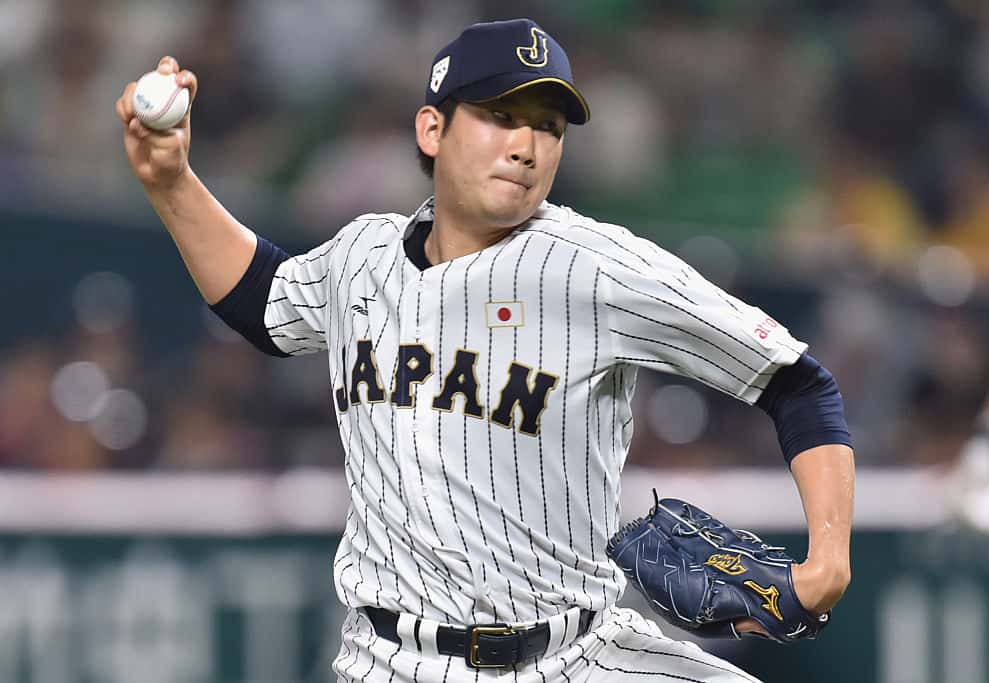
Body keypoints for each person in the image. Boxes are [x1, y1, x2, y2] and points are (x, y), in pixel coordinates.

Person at [115, 19, 855, 683]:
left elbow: (796, 383)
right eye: (500, 116)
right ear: (432, 129)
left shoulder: (594, 267)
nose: (527, 145)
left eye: (548, 126)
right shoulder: (361, 257)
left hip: (581, 653)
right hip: (392, 661)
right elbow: (264, 302)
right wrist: (172, 182)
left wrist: (826, 559)